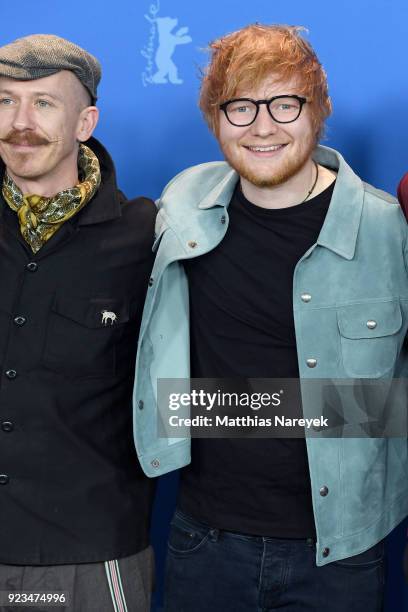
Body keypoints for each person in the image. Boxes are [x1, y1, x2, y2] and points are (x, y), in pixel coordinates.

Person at [133, 24, 408, 611]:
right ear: (215, 117)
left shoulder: (388, 229)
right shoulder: (180, 206)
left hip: (342, 553)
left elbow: (394, 403)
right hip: (203, 540)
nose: (263, 126)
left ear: (319, 110)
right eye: (241, 106)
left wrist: (213, 403)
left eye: (285, 103)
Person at [0, 34, 156, 611]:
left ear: (85, 121)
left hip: (89, 555)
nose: (20, 122)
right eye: (4, 101)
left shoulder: (147, 235)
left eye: (44, 103)